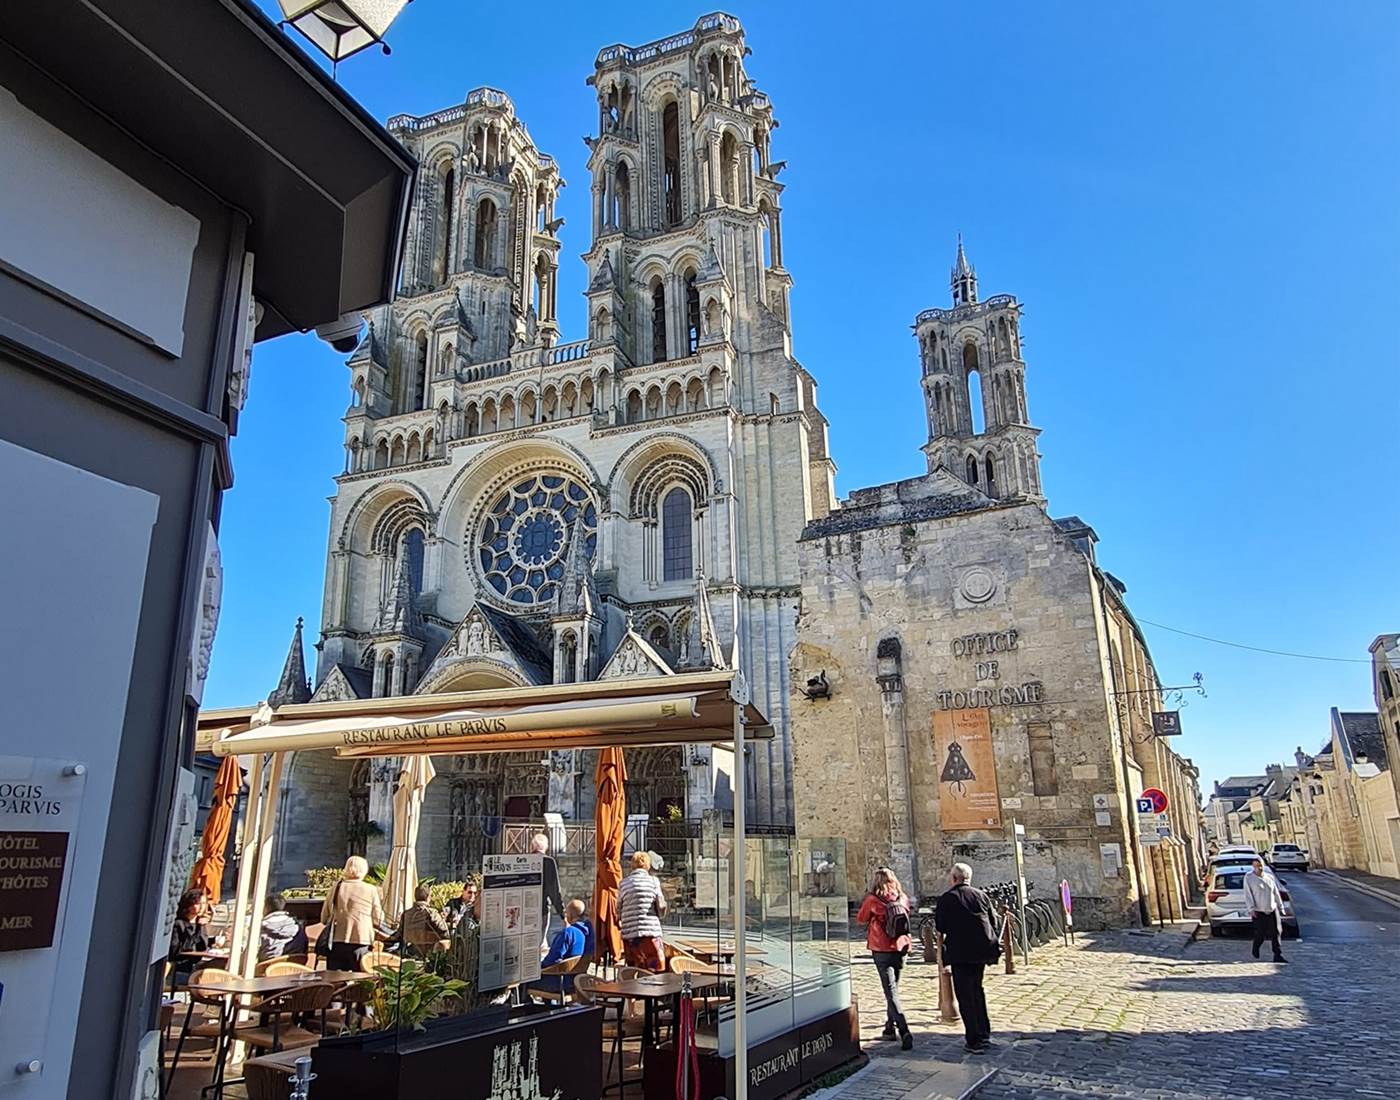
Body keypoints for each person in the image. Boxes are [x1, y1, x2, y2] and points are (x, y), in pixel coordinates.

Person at [934, 862, 999, 1054]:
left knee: (965, 995)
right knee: (977, 990)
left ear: (954, 878)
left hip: (960, 953)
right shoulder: (981, 895)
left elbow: (941, 926)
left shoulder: (947, 898)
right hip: (981, 951)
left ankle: (974, 1039)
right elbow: (993, 921)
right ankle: (984, 1033)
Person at [856, 867, 913, 1050]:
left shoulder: (873, 900)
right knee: (893, 988)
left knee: (890, 991)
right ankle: (889, 1028)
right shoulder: (902, 898)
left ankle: (904, 1030)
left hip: (881, 948)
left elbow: (861, 918)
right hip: (901, 947)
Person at [319, 855, 387, 971]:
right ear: (364, 870)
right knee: (360, 977)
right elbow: (378, 919)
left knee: (335, 978)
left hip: (336, 941)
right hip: (361, 939)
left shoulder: (336, 887)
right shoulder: (371, 889)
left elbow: (324, 918)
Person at [618, 850, 667, 971]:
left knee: (634, 970)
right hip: (650, 932)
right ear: (648, 865)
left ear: (632, 865)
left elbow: (618, 909)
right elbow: (661, 905)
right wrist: (662, 912)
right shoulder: (653, 881)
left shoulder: (623, 884)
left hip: (630, 934)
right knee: (656, 970)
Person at [541, 899, 593, 992]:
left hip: (561, 982)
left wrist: (540, 967)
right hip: (579, 980)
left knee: (526, 980)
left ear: (570, 915)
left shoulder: (568, 933)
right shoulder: (590, 932)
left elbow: (552, 960)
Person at [387, 885, 451, 957]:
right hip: (430, 954)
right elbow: (445, 933)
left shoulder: (406, 914)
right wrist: (444, 921)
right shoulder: (431, 913)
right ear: (428, 897)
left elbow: (399, 935)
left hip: (409, 952)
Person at [1243, 858, 1287, 963]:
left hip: (1272, 908)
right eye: (1256, 866)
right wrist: (1251, 908)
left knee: (1276, 932)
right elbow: (1248, 894)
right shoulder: (1249, 878)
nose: (1259, 868)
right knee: (1260, 933)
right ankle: (1256, 947)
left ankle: (1277, 954)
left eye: (1260, 865)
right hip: (1259, 910)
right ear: (1253, 867)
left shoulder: (1269, 877)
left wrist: (1281, 907)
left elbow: (1276, 893)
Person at [532, 833, 566, 950]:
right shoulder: (548, 861)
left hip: (525, 909)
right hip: (542, 909)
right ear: (546, 846)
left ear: (533, 846)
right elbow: (554, 891)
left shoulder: (524, 860)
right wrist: (562, 914)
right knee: (540, 943)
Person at [169, 889, 211, 975]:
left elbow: (202, 946)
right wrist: (199, 928)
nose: (202, 907)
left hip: (196, 963)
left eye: (204, 903)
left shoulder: (199, 923)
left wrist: (214, 940)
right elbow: (180, 949)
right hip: (182, 965)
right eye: (198, 903)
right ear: (189, 905)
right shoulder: (179, 924)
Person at [259, 893, 307, 961]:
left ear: (265, 907)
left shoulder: (260, 928)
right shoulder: (297, 926)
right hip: (293, 964)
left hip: (267, 965)